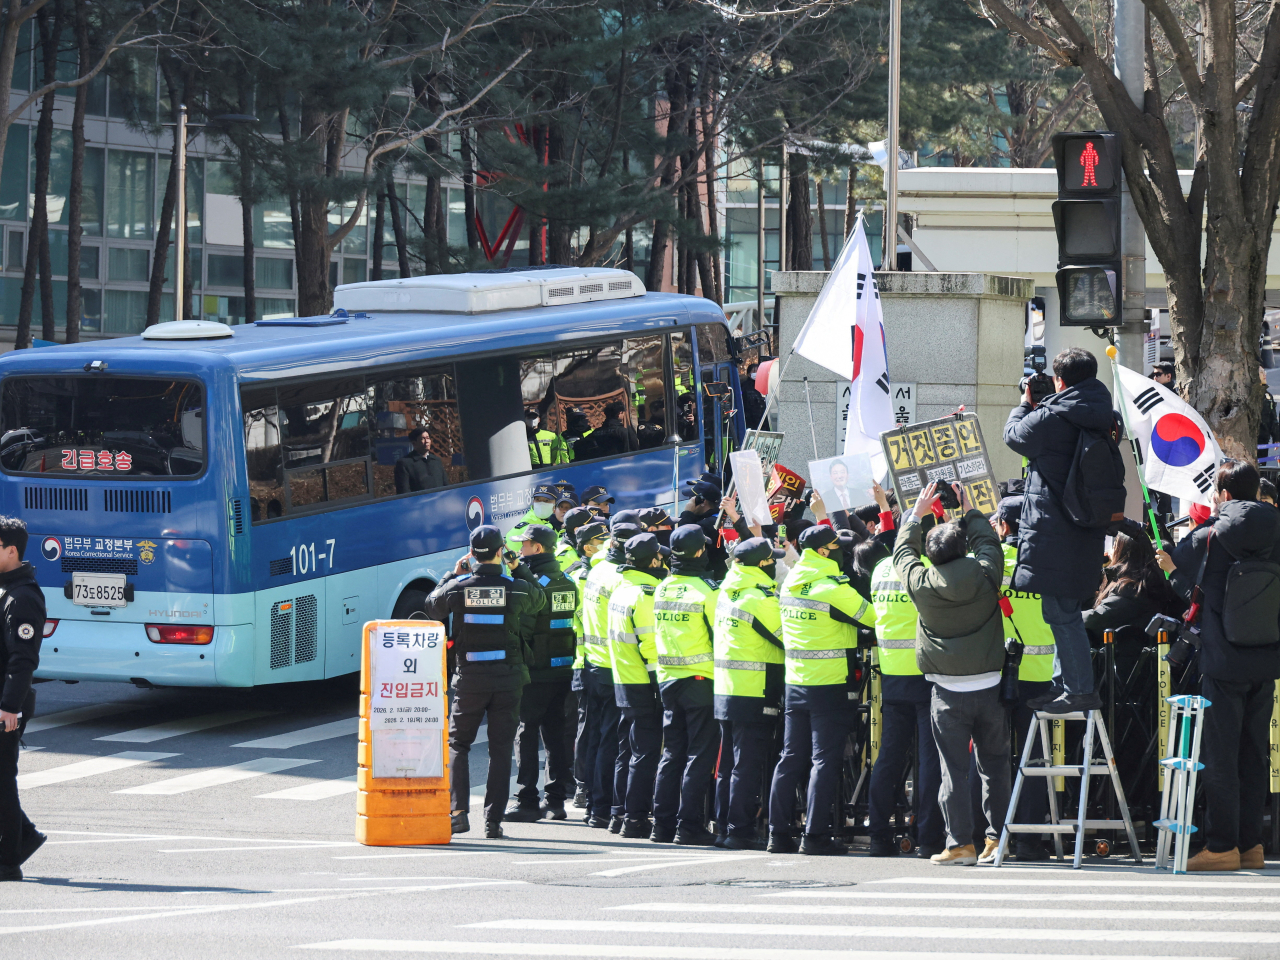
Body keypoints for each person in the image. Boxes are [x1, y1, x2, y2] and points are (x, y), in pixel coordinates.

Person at [1159, 461, 1280, 871]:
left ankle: (1222, 844)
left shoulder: (1210, 535)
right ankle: (1252, 846)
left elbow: (1187, 590)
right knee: (1254, 754)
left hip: (1223, 657)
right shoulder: (1277, 528)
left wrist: (1171, 570)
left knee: (1221, 754)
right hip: (1267, 656)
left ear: (1224, 495)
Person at [893, 481, 1008, 866]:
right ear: (964, 549)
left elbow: (902, 554)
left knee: (953, 770)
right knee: (994, 766)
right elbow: (989, 544)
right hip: (991, 685)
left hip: (946, 690)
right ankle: (998, 839)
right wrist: (968, 508)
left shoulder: (922, 584)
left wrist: (916, 515)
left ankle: (960, 844)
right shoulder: (985, 573)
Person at [1003, 346, 1117, 714]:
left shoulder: (1052, 416)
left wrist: (1024, 403)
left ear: (1060, 380)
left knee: (1060, 614)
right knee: (1063, 609)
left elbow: (1015, 436)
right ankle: (1064, 683)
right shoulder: (1104, 414)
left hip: (1054, 530)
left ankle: (1079, 690)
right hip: (1085, 529)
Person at [426, 525, 545, 839]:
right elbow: (540, 600)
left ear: (471, 553)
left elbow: (432, 606)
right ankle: (493, 822)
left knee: (458, 745)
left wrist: (451, 575)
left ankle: (458, 814)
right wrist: (519, 568)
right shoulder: (516, 587)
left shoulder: (458, 588)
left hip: (470, 681)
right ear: (500, 552)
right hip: (508, 680)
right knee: (500, 749)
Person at [769, 524, 877, 856]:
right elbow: (874, 619)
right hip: (828, 685)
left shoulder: (791, 582)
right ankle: (814, 835)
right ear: (825, 552)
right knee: (823, 761)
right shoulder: (832, 588)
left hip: (796, 683)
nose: (843, 553)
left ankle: (778, 834)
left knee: (790, 758)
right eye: (838, 547)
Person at [972, 495, 1059, 862]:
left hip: (995, 672)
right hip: (1040, 675)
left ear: (1003, 526)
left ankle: (991, 836)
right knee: (1035, 759)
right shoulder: (1048, 561)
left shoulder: (990, 564)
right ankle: (1029, 841)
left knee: (991, 758)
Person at [867, 533, 945, 860]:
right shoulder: (928, 567)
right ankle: (929, 839)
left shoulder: (882, 568)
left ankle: (878, 837)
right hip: (927, 671)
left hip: (892, 673)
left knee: (888, 757)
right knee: (930, 760)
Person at [713, 537, 785, 849]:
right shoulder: (758, 599)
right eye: (772, 560)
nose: (775, 564)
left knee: (728, 764)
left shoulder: (726, 592)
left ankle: (723, 827)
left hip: (727, 688)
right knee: (746, 765)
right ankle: (739, 831)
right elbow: (788, 638)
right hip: (754, 690)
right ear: (762, 564)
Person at [651, 525, 720, 845]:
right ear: (697, 552)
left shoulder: (663, 587)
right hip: (701, 680)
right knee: (699, 754)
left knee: (672, 753)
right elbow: (722, 638)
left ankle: (662, 825)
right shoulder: (707, 591)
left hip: (668, 680)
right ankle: (689, 825)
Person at [506, 524, 579, 823]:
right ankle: (556, 801)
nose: (520, 550)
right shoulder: (567, 581)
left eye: (524, 545)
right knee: (557, 735)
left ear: (537, 548)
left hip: (535, 672)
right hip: (563, 670)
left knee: (526, 732)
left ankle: (526, 800)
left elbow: (520, 629)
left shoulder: (532, 584)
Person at [578, 517, 641, 827]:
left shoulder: (598, 566)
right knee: (611, 743)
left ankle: (593, 804)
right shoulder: (621, 578)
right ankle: (604, 808)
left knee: (595, 738)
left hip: (593, 662)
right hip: (614, 668)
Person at [607, 533, 666, 837]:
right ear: (653, 560)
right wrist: (661, 686)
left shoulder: (622, 589)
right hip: (644, 684)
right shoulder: (646, 594)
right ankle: (636, 819)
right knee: (645, 753)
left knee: (625, 751)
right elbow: (651, 647)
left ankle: (618, 814)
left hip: (623, 681)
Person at [0, 517, 44, 880]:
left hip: (5, 705)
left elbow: (23, 659)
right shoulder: (4, 590)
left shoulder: (23, 598)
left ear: (10, 550)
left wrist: (9, 708)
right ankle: (24, 836)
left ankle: (8, 860)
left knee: (2, 780)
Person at [566, 519, 610, 809]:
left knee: (600, 728)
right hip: (585, 661)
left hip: (604, 660)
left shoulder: (601, 571)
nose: (605, 544)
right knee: (587, 725)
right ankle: (582, 784)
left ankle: (595, 784)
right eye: (600, 540)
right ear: (586, 546)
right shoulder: (578, 576)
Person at [506, 483, 560, 553]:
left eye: (547, 500)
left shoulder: (561, 521)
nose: (541, 503)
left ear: (555, 504)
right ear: (533, 502)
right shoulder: (526, 526)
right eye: (538, 499)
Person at [393, 427, 446, 493]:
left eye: (428, 438)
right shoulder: (405, 463)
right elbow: (404, 491)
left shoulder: (436, 461)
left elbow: (446, 486)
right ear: (414, 443)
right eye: (423, 438)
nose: (426, 441)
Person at [556, 506, 594, 572]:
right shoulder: (566, 556)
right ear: (577, 530)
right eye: (591, 526)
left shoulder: (579, 544)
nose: (596, 528)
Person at [739, 361, 768, 430]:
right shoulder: (745, 386)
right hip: (750, 419)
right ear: (749, 374)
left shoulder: (765, 384)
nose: (757, 373)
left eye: (759, 371)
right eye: (754, 371)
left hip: (763, 419)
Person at [1260, 368, 1277, 450]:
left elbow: (1273, 418)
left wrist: (1276, 437)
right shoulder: (1248, 396)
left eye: (1264, 372)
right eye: (1261, 372)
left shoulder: (1268, 395)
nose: (1264, 375)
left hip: (1264, 440)